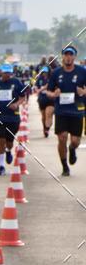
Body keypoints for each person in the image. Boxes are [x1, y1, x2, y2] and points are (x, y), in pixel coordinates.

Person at [46, 45, 86, 175]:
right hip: (61, 111)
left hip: (76, 110)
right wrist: (54, 94)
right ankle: (65, 167)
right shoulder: (56, 73)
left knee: (75, 141)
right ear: (63, 56)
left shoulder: (82, 71)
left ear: (74, 57)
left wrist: (84, 91)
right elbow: (48, 92)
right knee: (62, 137)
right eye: (66, 55)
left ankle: (72, 149)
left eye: (71, 55)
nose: (68, 57)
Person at [0, 62, 24, 175]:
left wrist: (17, 104)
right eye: (5, 73)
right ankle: (1, 166)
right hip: (0, 116)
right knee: (1, 141)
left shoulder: (16, 82)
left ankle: (8, 151)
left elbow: (22, 97)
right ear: (1, 72)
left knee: (9, 142)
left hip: (13, 117)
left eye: (9, 73)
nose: (7, 75)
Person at [35, 65, 53, 137]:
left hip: (50, 99)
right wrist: (37, 90)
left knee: (49, 114)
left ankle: (47, 128)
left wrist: (41, 89)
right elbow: (36, 86)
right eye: (43, 72)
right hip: (42, 99)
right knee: (43, 116)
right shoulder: (40, 78)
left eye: (46, 72)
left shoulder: (51, 78)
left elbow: (49, 85)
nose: (44, 73)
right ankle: (44, 128)